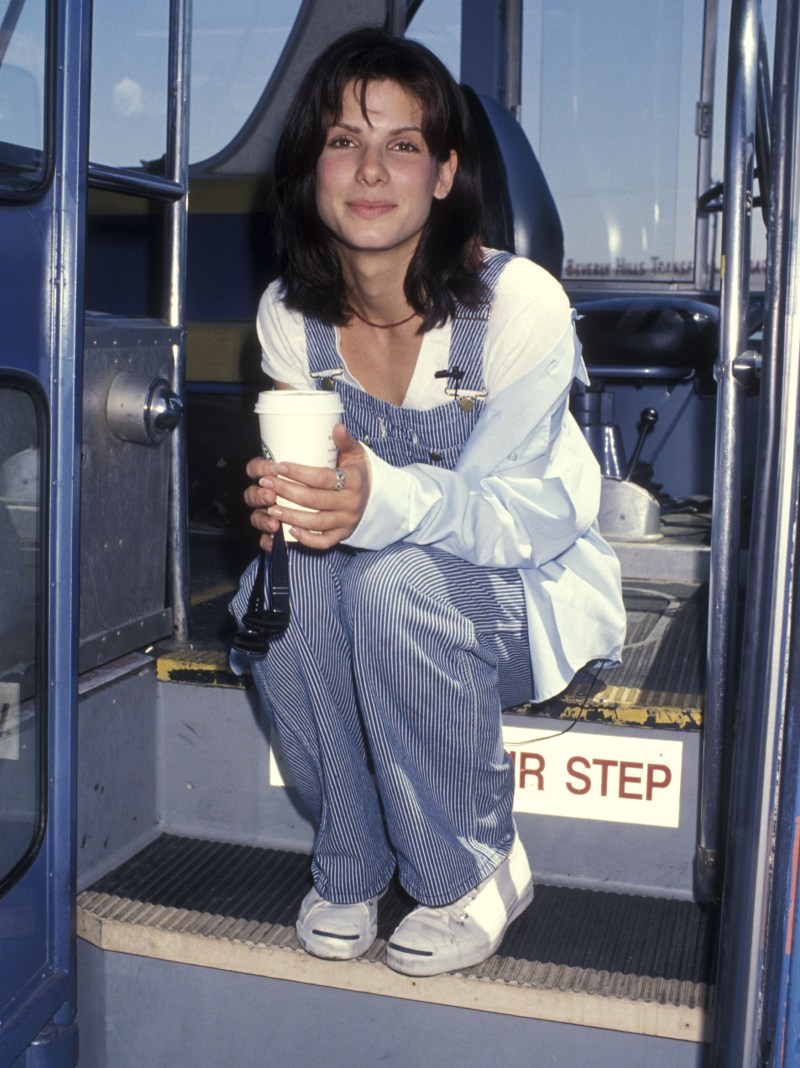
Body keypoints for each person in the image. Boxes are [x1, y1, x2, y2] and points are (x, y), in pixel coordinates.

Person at [231, 26, 626, 977]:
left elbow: (523, 520)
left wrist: (377, 503)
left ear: (445, 174)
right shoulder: (291, 315)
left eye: (402, 145)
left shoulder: (518, 306)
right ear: (311, 168)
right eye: (342, 141)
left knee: (395, 585)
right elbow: (325, 512)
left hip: (514, 596)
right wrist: (291, 508)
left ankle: (471, 869)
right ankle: (352, 859)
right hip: (375, 587)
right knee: (271, 597)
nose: (370, 170)